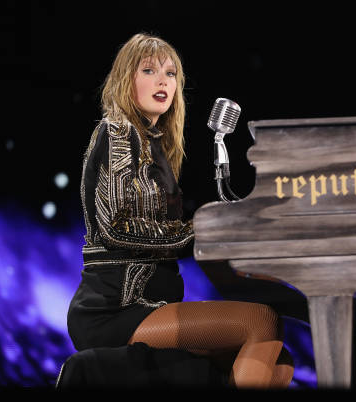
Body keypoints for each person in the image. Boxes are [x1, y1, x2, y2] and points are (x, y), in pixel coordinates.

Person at [57, 32, 294, 389]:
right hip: (116, 308)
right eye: (149, 70)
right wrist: (198, 231)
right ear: (125, 80)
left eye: (170, 74)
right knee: (260, 321)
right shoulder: (118, 131)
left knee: (279, 362)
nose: (163, 81)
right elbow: (116, 229)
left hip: (154, 304)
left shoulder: (155, 147)